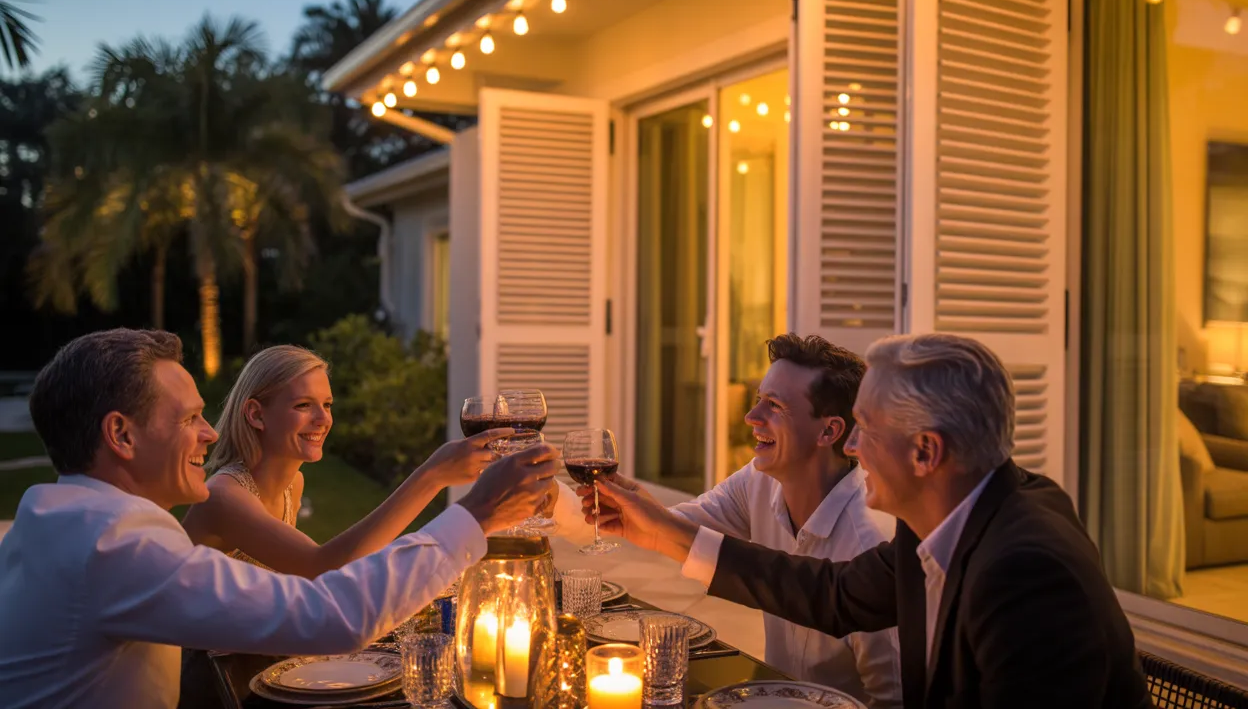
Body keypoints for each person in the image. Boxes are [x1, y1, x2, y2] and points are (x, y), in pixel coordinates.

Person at [583, 333, 1152, 709]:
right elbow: (833, 596)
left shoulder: (1026, 573)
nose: (851, 445)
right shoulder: (941, 519)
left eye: (865, 428)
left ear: (925, 453)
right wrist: (658, 531)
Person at [0, 329, 557, 709]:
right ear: (121, 435)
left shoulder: (57, 518)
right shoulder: (114, 544)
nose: (210, 433)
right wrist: (475, 515)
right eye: (190, 418)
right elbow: (329, 614)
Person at [570, 334, 900, 707]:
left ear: (829, 431)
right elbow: (684, 529)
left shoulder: (867, 540)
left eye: (774, 405)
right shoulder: (758, 480)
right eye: (759, 399)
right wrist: (619, 509)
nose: (751, 417)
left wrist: (656, 525)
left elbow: (894, 699)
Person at [182, 344, 505, 575]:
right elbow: (322, 567)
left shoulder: (292, 484)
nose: (323, 419)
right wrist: (431, 476)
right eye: (303, 406)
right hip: (211, 667)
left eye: (328, 404)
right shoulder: (224, 496)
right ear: (256, 414)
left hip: (253, 654)